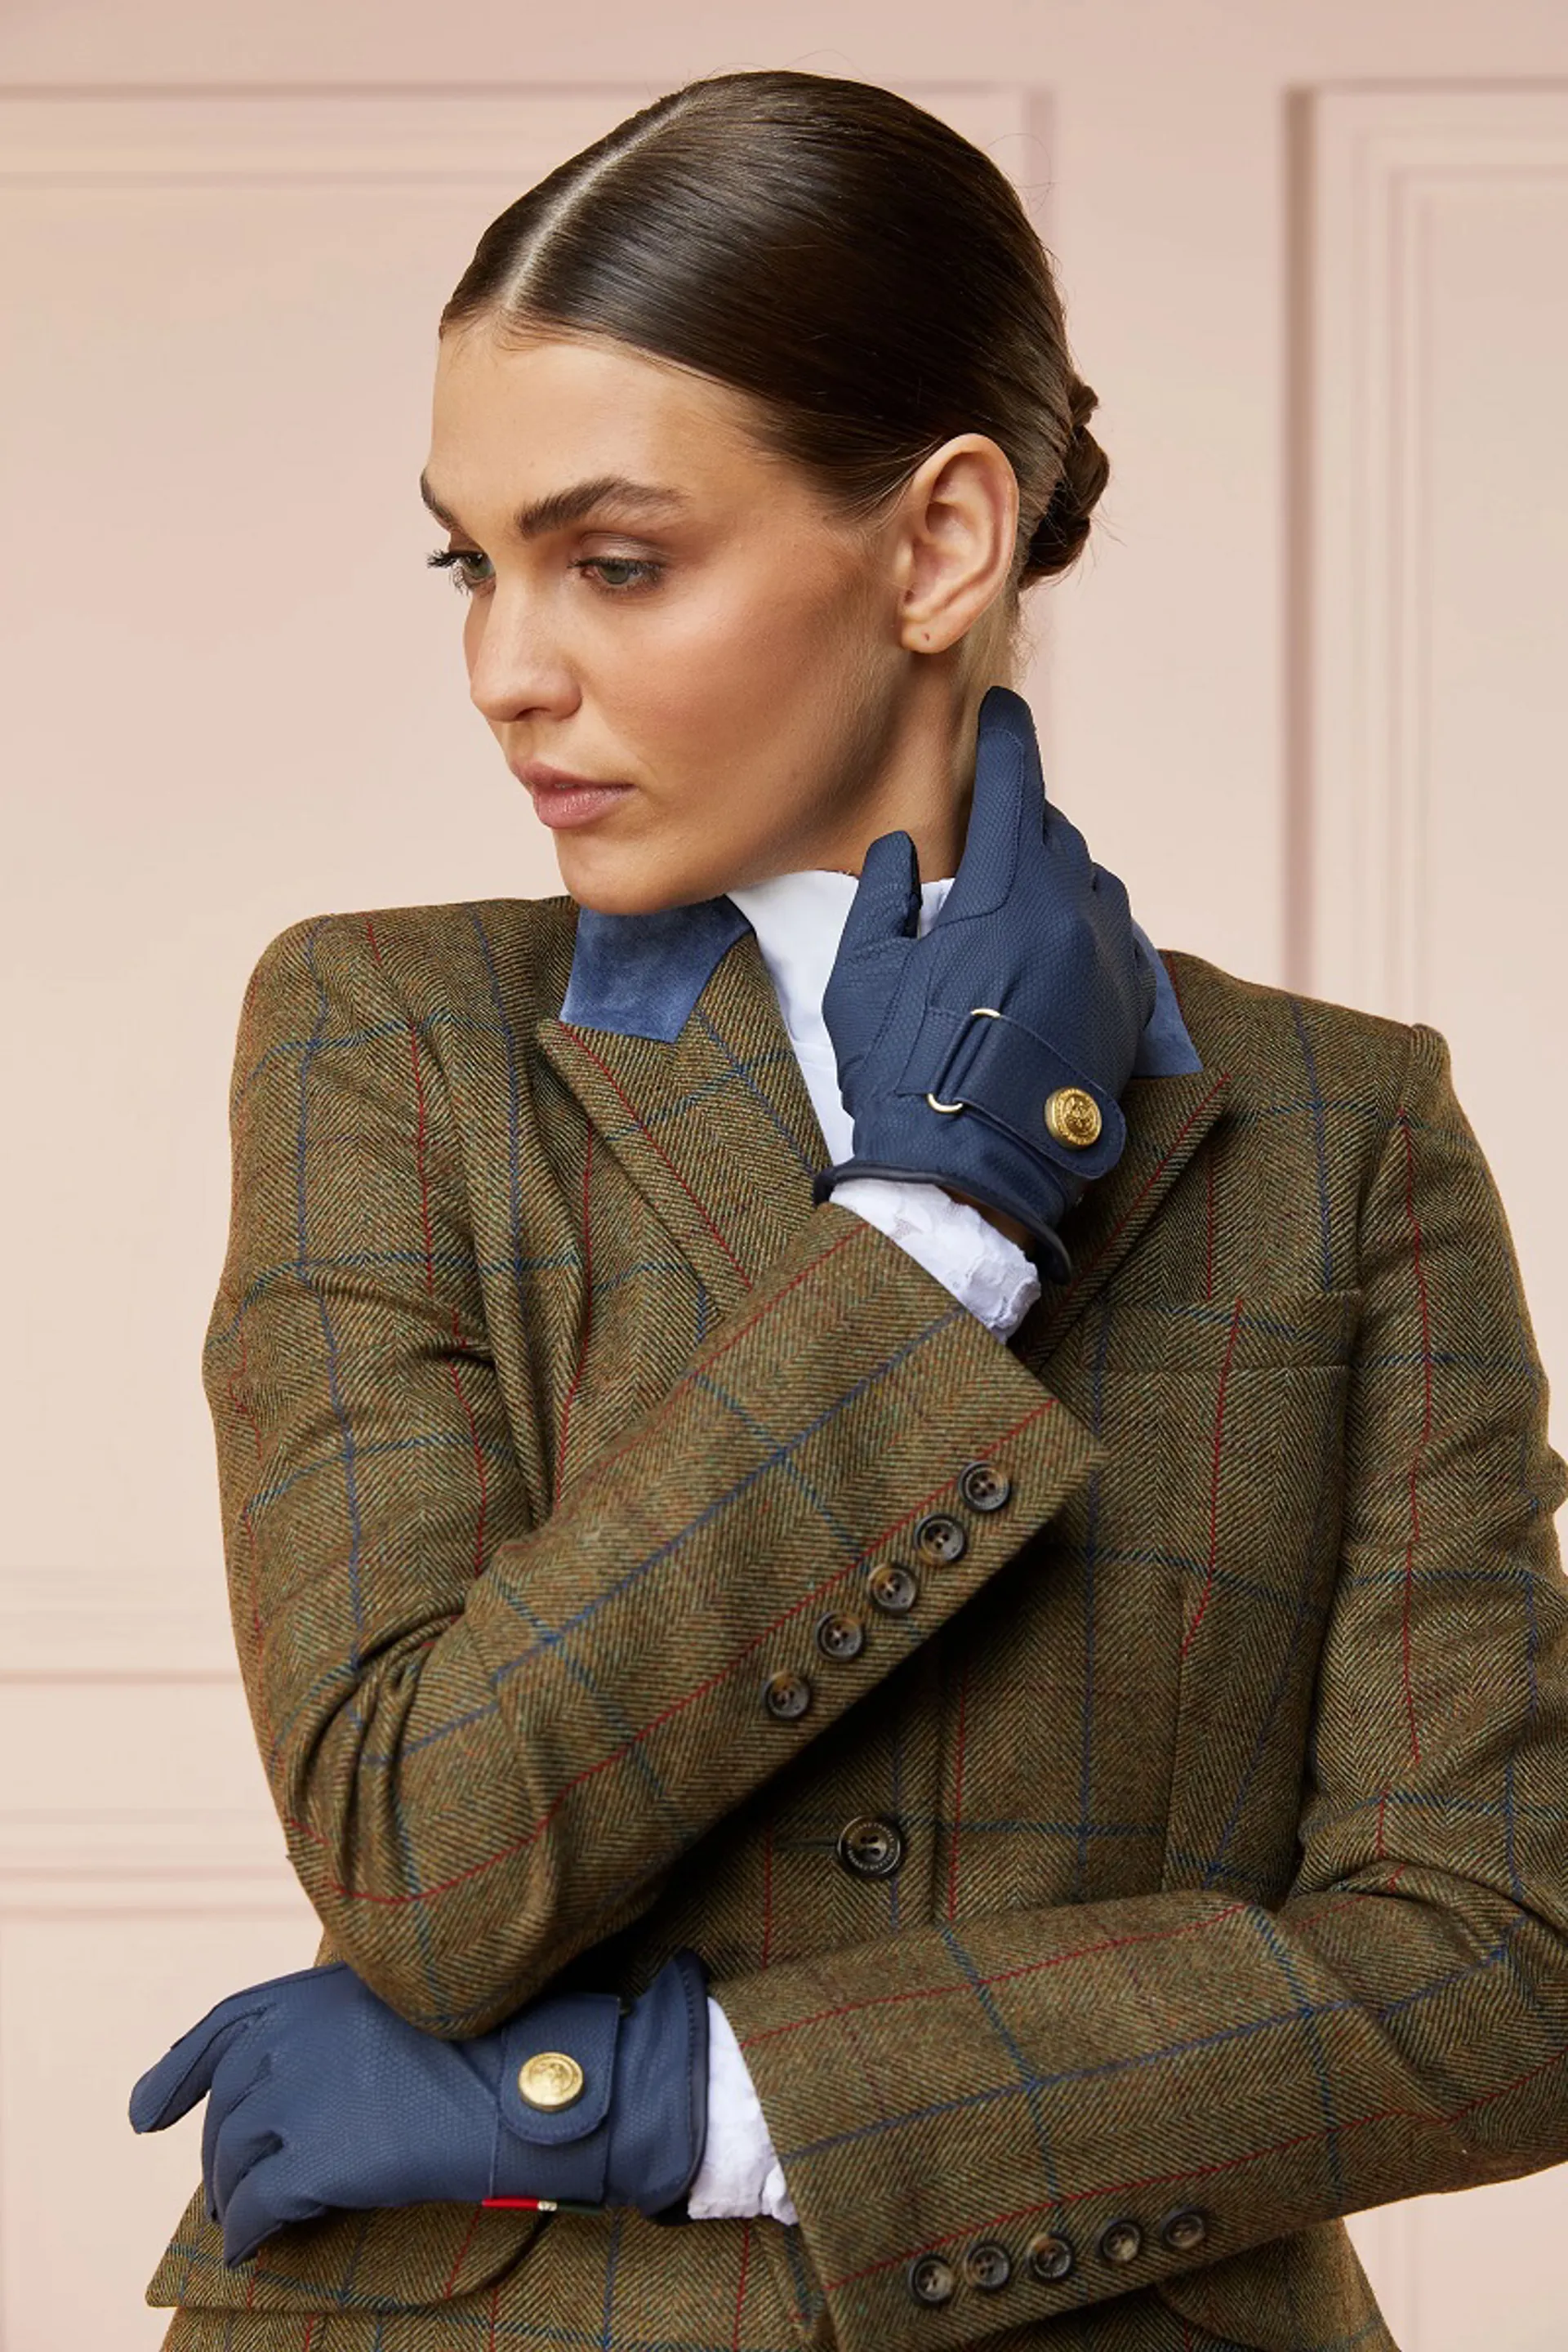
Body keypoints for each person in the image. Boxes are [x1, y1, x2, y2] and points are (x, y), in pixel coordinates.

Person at [128, 65, 1568, 2352]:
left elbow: (1496, 1973)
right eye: (470, 563)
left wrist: (677, 2101)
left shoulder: (1338, 1128)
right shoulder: (384, 1041)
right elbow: (421, 1852)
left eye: (614, 562)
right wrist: (930, 1240)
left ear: (939, 543)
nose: (506, 668)